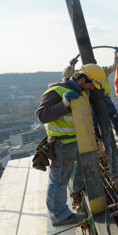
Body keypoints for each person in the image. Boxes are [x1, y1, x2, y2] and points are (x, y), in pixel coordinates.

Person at [36, 64, 106, 226]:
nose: (91, 88)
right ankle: (59, 216)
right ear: (81, 79)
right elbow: (42, 115)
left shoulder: (79, 91)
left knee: (72, 172)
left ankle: (76, 192)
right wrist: (64, 103)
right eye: (90, 84)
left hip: (74, 142)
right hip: (61, 144)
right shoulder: (56, 92)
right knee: (59, 180)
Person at [63, 50, 118, 138]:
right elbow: (66, 75)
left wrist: (116, 56)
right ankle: (98, 137)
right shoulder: (81, 72)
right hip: (88, 96)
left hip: (103, 96)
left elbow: (114, 66)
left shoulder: (100, 71)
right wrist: (70, 66)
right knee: (93, 118)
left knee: (112, 112)